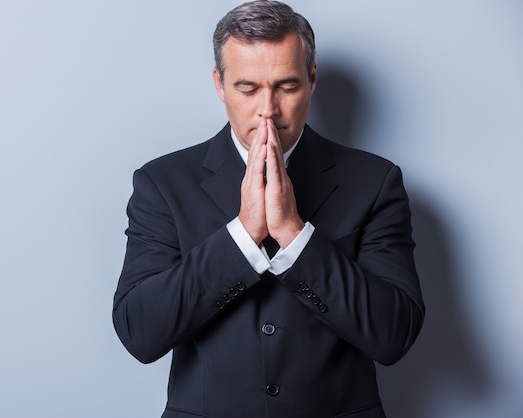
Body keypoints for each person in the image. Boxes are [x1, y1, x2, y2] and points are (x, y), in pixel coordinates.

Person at [113, 1, 424, 416]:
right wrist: (242, 235)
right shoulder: (162, 183)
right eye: (248, 88)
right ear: (219, 84)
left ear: (312, 80)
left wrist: (295, 234)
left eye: (287, 86)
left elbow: (393, 335)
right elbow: (140, 332)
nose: (268, 110)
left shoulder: (375, 181)